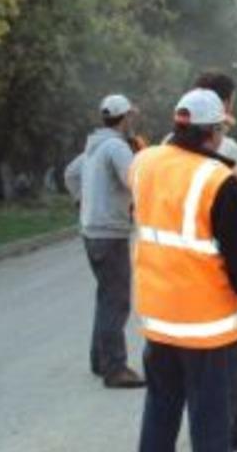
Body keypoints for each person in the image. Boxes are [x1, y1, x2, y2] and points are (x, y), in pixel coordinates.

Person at [131, 88, 237, 451]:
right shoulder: (217, 179)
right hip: (206, 326)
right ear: (214, 131)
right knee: (210, 415)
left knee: (161, 405)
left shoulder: (144, 162)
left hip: (159, 317)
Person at [190, 71, 237, 449]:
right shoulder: (229, 150)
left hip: (177, 276)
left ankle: (207, 429)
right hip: (222, 268)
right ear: (225, 105)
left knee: (196, 363)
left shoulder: (161, 151)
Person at [64, 94, 145, 388]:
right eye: (132, 117)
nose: (133, 122)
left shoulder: (93, 146)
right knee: (117, 300)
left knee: (105, 296)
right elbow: (135, 180)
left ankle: (100, 360)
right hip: (110, 232)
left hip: (91, 231)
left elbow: (70, 174)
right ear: (125, 118)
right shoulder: (115, 146)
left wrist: (83, 203)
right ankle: (115, 369)